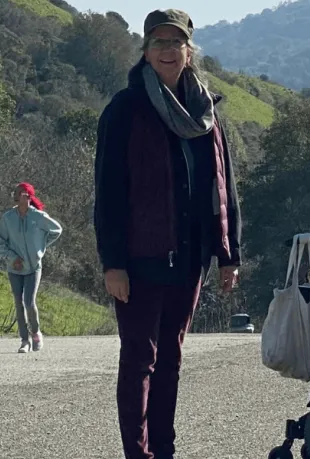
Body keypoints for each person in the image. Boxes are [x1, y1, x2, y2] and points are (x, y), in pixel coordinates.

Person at [93, 9, 242, 459]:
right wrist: (113, 262)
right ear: (144, 50)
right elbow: (109, 191)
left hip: (190, 257)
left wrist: (229, 252)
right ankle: (138, 453)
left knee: (171, 361)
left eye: (176, 43)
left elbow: (224, 185)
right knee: (140, 359)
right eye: (158, 42)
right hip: (140, 258)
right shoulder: (125, 110)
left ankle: (165, 449)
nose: (167, 51)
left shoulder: (206, 112)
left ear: (189, 51)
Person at [0, 182, 62, 353]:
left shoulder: (38, 216)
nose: (20, 195)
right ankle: (24, 341)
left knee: (29, 302)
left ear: (29, 196)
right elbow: (1, 242)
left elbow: (57, 230)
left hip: (34, 267)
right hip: (14, 269)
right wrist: (12, 258)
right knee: (18, 303)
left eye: (24, 193)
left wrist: (39, 249)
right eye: (18, 193)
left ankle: (36, 333)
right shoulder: (7, 218)